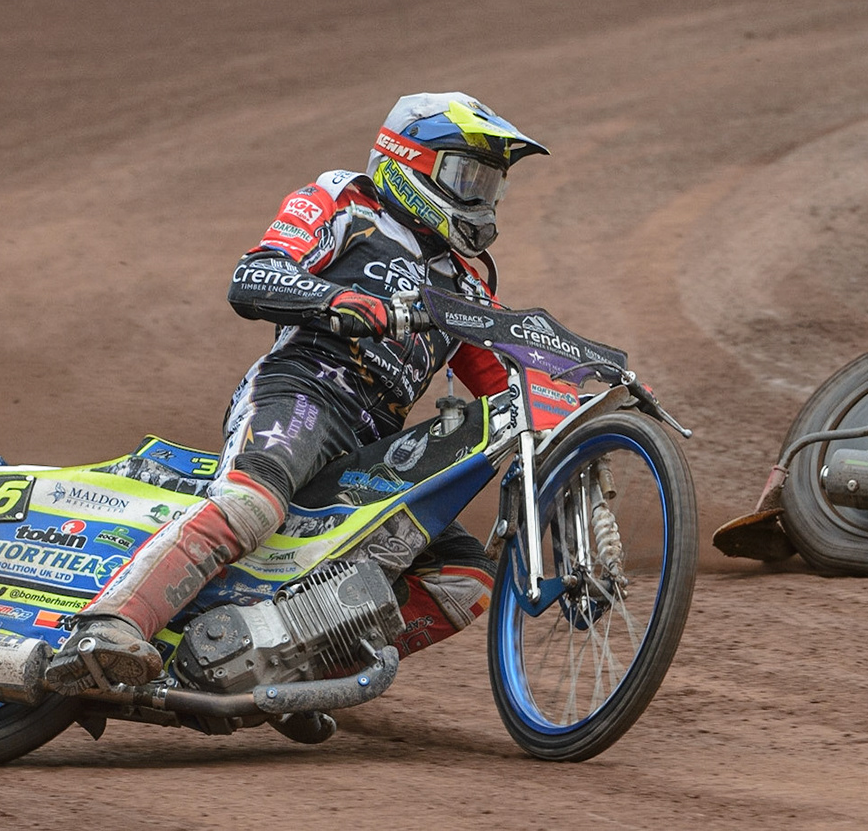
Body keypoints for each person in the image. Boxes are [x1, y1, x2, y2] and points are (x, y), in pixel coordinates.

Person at [45, 92, 547, 692]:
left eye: (489, 183)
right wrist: (342, 303)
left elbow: (510, 386)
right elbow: (254, 275)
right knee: (254, 504)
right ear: (410, 160)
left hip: (375, 445)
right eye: (466, 176)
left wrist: (591, 393)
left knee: (466, 578)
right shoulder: (347, 204)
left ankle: (287, 669)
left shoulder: (462, 286)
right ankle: (110, 628)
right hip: (304, 388)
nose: (481, 197)